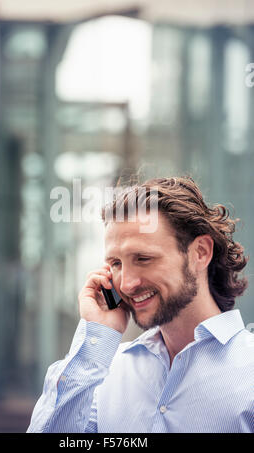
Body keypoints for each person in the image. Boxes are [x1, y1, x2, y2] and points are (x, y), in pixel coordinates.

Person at [27, 176, 254, 433]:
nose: (126, 284)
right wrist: (96, 337)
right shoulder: (103, 372)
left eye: (143, 258)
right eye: (116, 263)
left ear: (200, 252)